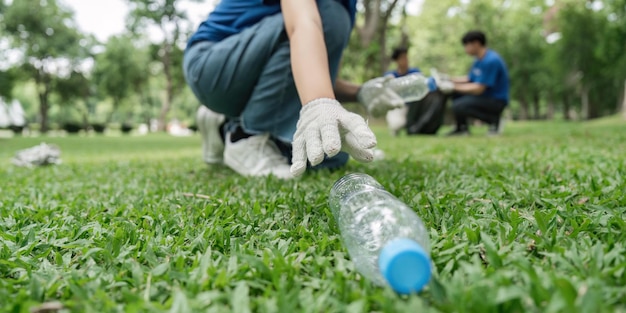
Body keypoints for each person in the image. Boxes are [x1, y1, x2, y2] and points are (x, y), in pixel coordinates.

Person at [185, 0, 409, 179]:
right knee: (329, 14)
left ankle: (223, 126)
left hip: (240, 75)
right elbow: (303, 23)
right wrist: (320, 103)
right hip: (211, 64)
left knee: (327, 156)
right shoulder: (331, 10)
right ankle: (246, 137)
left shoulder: (347, 6)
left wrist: (361, 92)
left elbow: (314, 71)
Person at [448, 30, 510, 136]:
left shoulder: (491, 60)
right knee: (455, 94)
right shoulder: (478, 60)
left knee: (458, 105)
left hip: (496, 100)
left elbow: (479, 88)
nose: (465, 49)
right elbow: (470, 79)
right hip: (485, 97)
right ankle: (461, 129)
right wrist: (448, 79)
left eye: (467, 45)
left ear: (476, 44)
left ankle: (494, 121)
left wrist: (453, 86)